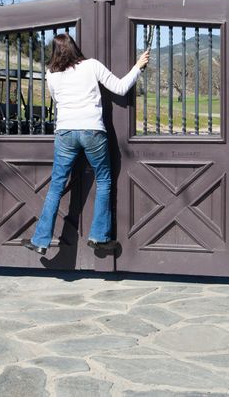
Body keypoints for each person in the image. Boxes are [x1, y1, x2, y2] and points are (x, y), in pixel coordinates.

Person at [22, 33, 150, 255]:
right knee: (104, 180)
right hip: (92, 129)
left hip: (65, 131)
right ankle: (99, 237)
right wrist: (138, 66)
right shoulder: (91, 65)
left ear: (55, 51)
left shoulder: (51, 74)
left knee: (56, 186)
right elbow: (120, 88)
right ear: (74, 47)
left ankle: (41, 240)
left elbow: (57, 100)